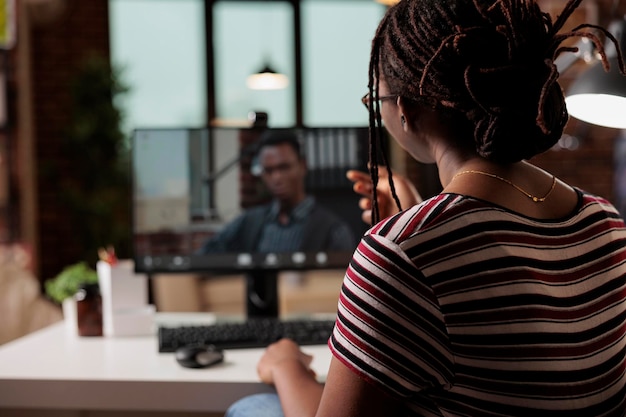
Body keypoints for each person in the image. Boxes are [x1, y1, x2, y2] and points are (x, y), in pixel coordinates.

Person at [225, 0, 626, 415]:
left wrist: (289, 367)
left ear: (406, 110)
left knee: (255, 405)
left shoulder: (399, 252)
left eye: (374, 99)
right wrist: (419, 218)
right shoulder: (605, 220)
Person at [195, 129, 357, 254]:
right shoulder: (250, 221)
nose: (277, 178)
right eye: (269, 170)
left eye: (284, 167)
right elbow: (206, 254)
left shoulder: (331, 229)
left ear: (302, 166)